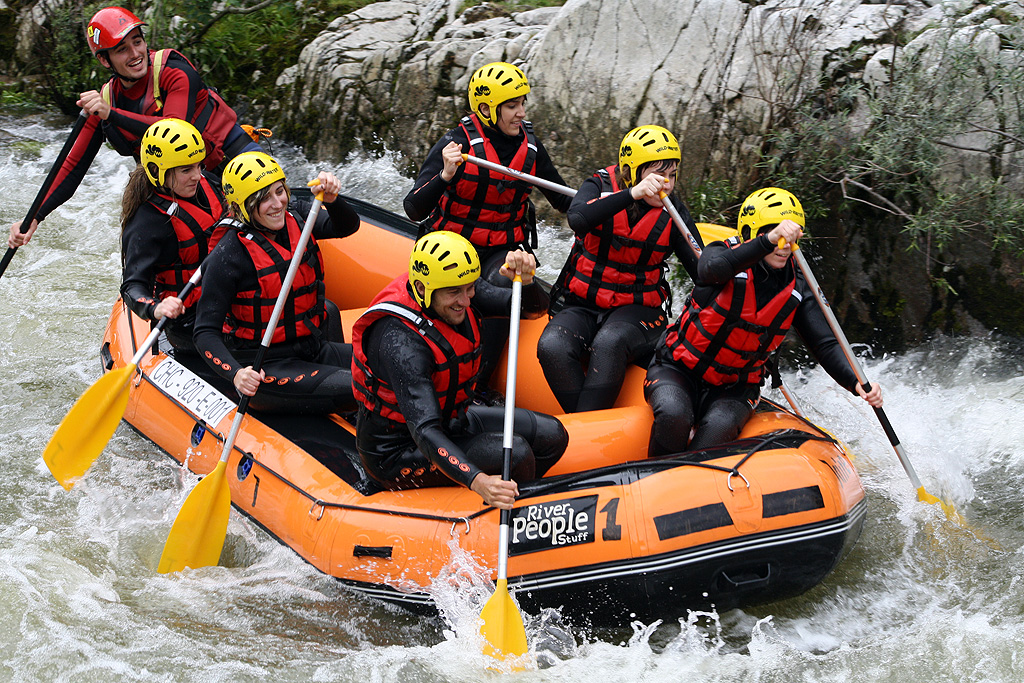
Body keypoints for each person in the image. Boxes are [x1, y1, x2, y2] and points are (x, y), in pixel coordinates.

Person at [645, 188, 883, 456]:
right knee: (674, 415)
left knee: (718, 428)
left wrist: (856, 382)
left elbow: (825, 343)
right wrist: (770, 240)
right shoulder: (722, 254)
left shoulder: (799, 285)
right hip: (678, 370)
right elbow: (707, 270)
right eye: (776, 236)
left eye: (790, 238)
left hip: (735, 387)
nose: (784, 247)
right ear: (755, 234)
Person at [8, 6, 261, 249]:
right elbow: (72, 167)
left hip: (232, 162)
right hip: (184, 188)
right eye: (122, 49)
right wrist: (34, 217)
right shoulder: (107, 101)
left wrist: (112, 115)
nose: (135, 53)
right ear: (105, 60)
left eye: (137, 42)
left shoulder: (174, 71)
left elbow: (175, 129)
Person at [351, 231, 569, 509]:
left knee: (552, 435)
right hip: (397, 452)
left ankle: (508, 503)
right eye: (455, 292)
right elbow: (425, 430)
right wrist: (478, 481)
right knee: (518, 455)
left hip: (454, 421)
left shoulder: (453, 289)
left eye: (469, 288)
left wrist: (526, 282)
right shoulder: (399, 341)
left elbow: (530, 309)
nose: (466, 301)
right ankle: (513, 517)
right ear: (421, 288)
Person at [403, 61, 573, 390]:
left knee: (505, 281)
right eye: (512, 106)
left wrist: (612, 200)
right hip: (450, 249)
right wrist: (445, 175)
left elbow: (566, 203)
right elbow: (413, 208)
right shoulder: (456, 144)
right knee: (467, 284)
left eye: (523, 103)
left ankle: (478, 388)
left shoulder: (532, 149)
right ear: (485, 108)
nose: (521, 112)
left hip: (500, 252)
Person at [538, 125, 703, 413]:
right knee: (552, 345)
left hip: (640, 312)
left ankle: (581, 430)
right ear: (631, 172)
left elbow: (703, 274)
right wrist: (633, 194)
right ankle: (586, 427)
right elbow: (577, 217)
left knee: (609, 342)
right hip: (583, 304)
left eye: (672, 175)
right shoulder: (599, 185)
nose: (665, 184)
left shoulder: (674, 212)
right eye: (658, 175)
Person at [192, 152, 359, 414]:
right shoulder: (229, 254)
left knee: (388, 364)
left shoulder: (300, 214)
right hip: (267, 367)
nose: (277, 203)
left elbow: (347, 227)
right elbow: (204, 331)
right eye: (263, 198)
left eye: (279, 191)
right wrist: (236, 374)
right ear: (243, 207)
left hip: (313, 350)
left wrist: (333, 201)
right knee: (365, 383)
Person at [120, 118, 226, 352]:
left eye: (199, 166)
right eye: (186, 170)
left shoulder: (208, 185)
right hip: (190, 320)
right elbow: (131, 286)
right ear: (158, 171)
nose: (197, 176)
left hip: (230, 298)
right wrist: (157, 308)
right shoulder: (148, 222)